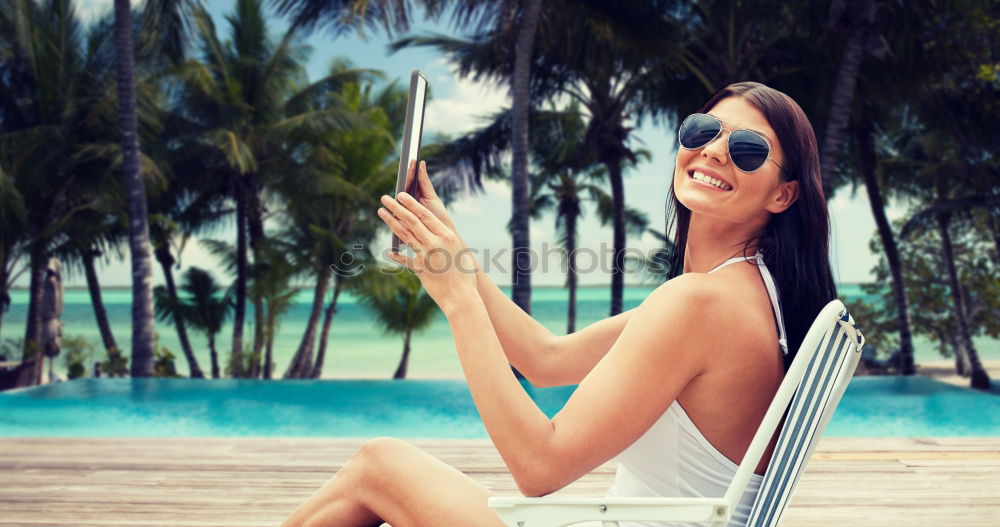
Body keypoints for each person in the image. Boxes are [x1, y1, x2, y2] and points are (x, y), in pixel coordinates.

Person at [280, 81, 836, 527]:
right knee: (381, 469)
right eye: (704, 129)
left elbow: (539, 466)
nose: (715, 150)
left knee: (380, 467)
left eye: (747, 149)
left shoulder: (701, 302)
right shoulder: (743, 291)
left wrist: (458, 304)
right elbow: (546, 360)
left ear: (783, 193)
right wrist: (458, 260)